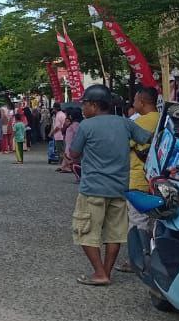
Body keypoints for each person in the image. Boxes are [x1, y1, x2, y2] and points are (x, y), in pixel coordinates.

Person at [66, 85, 152, 286]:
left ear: (95, 105)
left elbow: (74, 153)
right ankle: (106, 271)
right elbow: (147, 139)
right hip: (119, 188)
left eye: (85, 104)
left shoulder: (86, 126)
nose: (83, 108)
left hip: (93, 188)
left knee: (85, 231)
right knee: (114, 233)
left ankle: (99, 273)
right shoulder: (125, 123)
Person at [121, 87, 160, 275]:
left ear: (142, 102)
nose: (133, 103)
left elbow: (124, 144)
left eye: (135, 100)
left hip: (138, 177)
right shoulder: (163, 119)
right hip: (158, 179)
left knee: (137, 220)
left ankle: (136, 260)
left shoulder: (140, 122)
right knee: (153, 221)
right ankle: (153, 257)